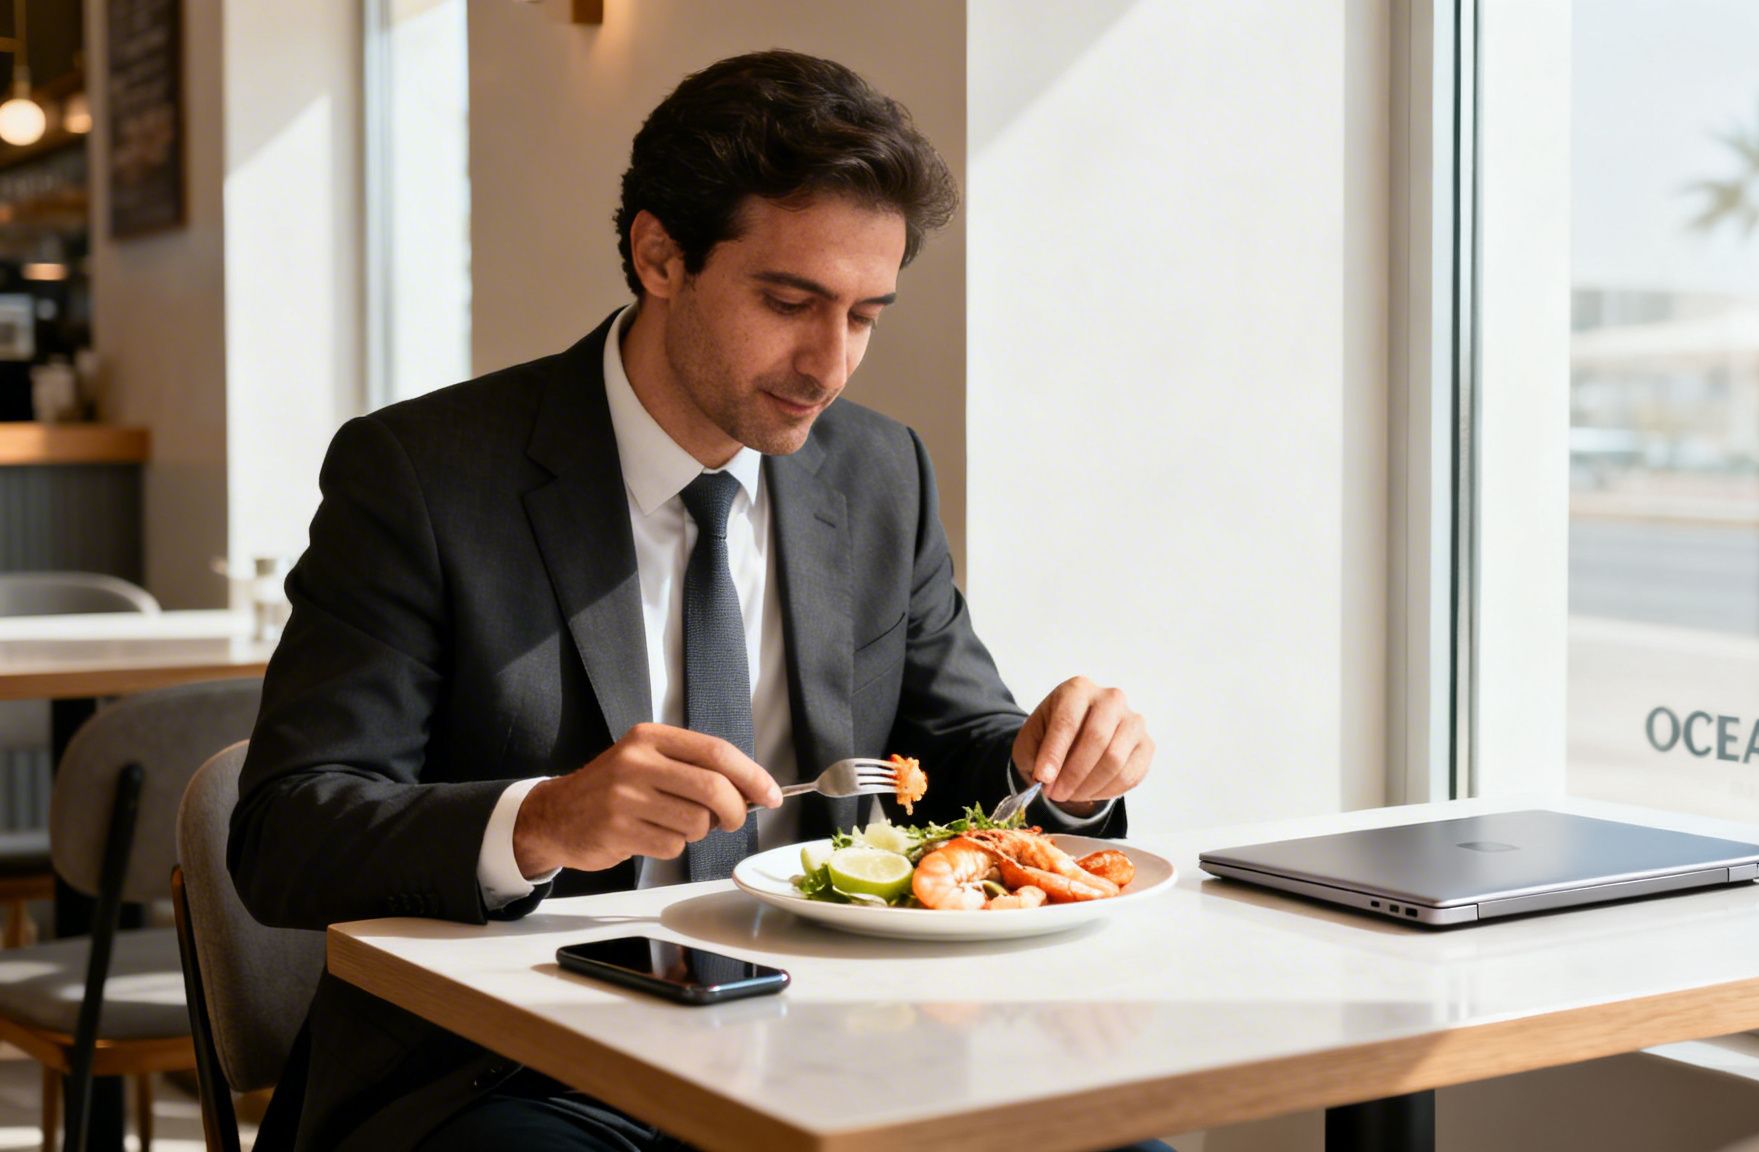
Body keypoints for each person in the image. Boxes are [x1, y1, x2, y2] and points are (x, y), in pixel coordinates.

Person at [228, 49, 1158, 1152]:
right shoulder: (425, 476)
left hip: (840, 1042)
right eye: (789, 301)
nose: (830, 364)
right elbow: (287, 830)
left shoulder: (877, 474)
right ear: (658, 254)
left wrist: (1051, 768)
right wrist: (544, 821)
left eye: (865, 314)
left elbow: (956, 747)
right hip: (518, 1070)